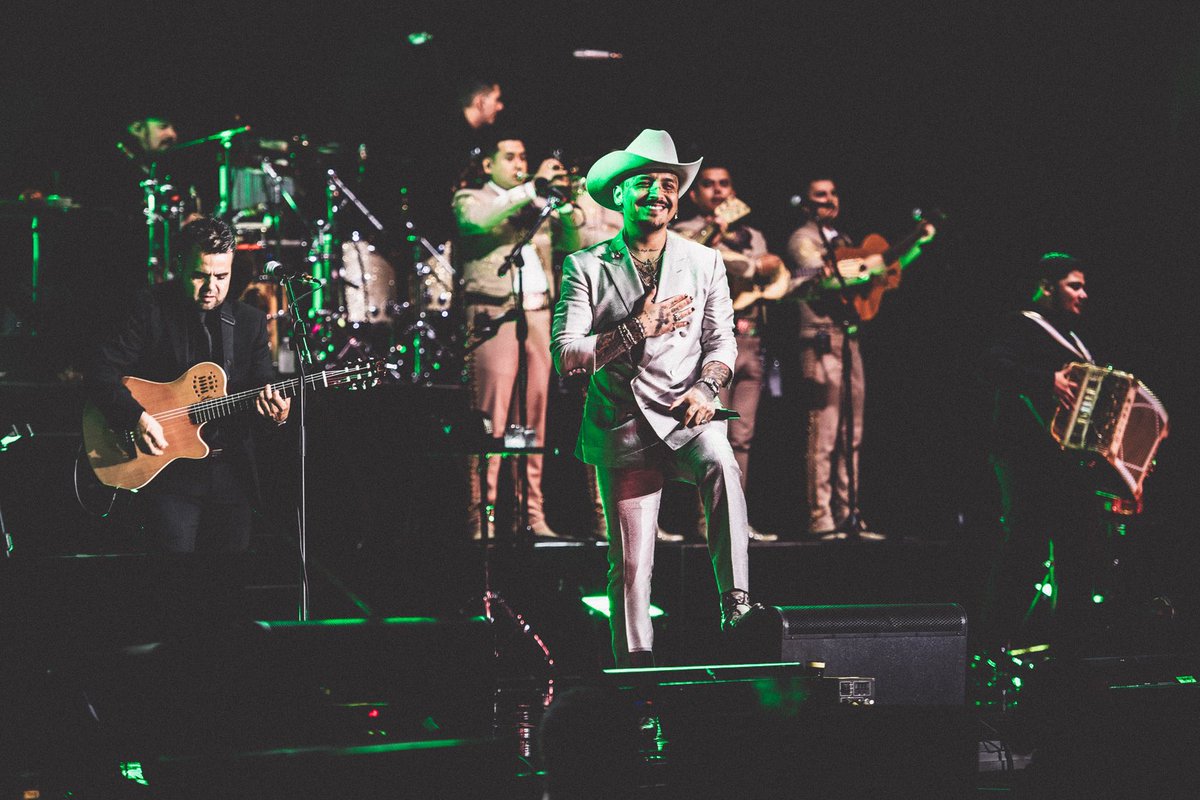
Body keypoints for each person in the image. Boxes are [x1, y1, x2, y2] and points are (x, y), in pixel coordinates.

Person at [551, 129, 760, 667]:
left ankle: (736, 604)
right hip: (623, 424)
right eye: (646, 184)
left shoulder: (704, 260)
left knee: (721, 462)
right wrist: (635, 328)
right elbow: (568, 355)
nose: (659, 195)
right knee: (631, 565)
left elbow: (722, 341)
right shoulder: (586, 266)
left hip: (687, 411)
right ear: (619, 194)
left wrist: (707, 387)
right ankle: (636, 672)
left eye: (668, 185)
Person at [84, 217, 290, 553]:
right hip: (169, 474)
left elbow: (263, 382)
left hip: (231, 473)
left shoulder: (249, 322)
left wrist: (277, 412)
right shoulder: (149, 308)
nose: (211, 287)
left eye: (222, 276)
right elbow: (99, 371)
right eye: (200, 275)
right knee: (176, 587)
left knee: (229, 585)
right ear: (179, 265)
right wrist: (137, 417)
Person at [786, 177, 934, 540]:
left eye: (834, 193)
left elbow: (883, 273)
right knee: (824, 432)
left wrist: (916, 243)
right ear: (806, 203)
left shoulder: (844, 241)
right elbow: (831, 280)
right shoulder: (802, 239)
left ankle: (848, 513)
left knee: (852, 432)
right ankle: (821, 517)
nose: (829, 200)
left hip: (850, 340)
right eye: (820, 195)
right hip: (820, 340)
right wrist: (874, 265)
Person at [454, 136, 582, 539]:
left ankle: (530, 516)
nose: (519, 163)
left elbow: (574, 244)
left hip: (538, 315)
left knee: (529, 422)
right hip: (494, 315)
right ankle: (484, 520)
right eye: (509, 157)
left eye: (524, 157)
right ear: (488, 165)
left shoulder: (537, 206)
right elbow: (476, 222)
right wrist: (532, 188)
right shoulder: (470, 197)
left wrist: (563, 206)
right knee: (491, 420)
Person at [979, 253, 1101, 649]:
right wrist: (1045, 380)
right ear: (1048, 287)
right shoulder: (1023, 325)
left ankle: (1069, 646)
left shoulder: (1076, 339)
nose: (1084, 294)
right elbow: (992, 365)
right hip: (1023, 455)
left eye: (1084, 286)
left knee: (1077, 549)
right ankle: (995, 643)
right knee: (1025, 547)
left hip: (1063, 463)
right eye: (1074, 285)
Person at [673, 164, 788, 542]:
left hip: (751, 340)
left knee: (742, 436)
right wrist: (723, 243)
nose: (718, 192)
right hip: (710, 345)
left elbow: (771, 276)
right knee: (710, 434)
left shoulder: (751, 234)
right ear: (694, 194)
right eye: (709, 185)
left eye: (725, 184)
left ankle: (735, 519)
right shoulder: (686, 232)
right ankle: (706, 521)